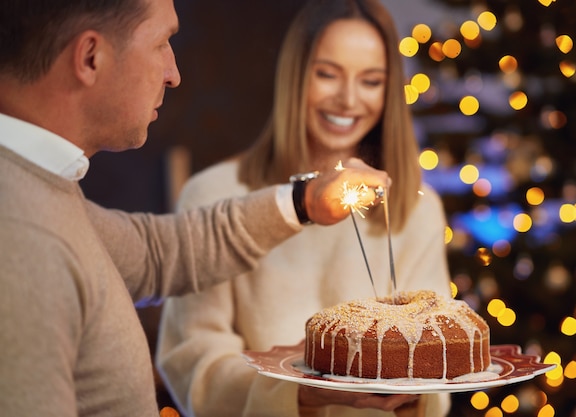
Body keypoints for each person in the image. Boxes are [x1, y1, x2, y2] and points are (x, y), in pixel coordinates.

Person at [0, 1, 390, 416]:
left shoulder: (42, 191)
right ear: (91, 57)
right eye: (162, 43)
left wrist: (305, 201)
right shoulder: (23, 239)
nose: (173, 74)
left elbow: (156, 253)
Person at [156, 1, 452, 416]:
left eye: (370, 81)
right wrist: (294, 394)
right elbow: (192, 362)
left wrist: (414, 395)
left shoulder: (416, 209)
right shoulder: (214, 195)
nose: (348, 100)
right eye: (327, 74)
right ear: (296, 77)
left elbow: (433, 367)